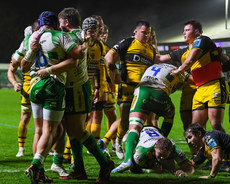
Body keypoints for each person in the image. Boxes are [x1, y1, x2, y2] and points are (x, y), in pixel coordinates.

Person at [21, 11, 87, 183]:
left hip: (34, 87)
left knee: (39, 130)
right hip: (53, 84)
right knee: (52, 130)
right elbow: (77, 56)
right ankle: (37, 165)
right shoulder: (60, 36)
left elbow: (22, 67)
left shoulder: (30, 39)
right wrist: (85, 41)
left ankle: (40, 171)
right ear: (55, 24)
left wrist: (31, 52)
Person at [58, 8, 114, 182]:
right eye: (90, 30)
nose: (93, 34)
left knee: (78, 129)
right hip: (72, 87)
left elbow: (96, 66)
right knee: (71, 130)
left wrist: (98, 86)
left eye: (95, 30)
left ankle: (105, 163)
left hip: (79, 88)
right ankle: (80, 168)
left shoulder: (81, 41)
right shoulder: (78, 39)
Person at [112, 63, 190, 173]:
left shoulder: (152, 66)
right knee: (169, 115)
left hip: (143, 91)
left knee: (134, 127)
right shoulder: (177, 69)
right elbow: (191, 80)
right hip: (160, 94)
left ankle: (127, 160)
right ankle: (162, 142)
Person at [105, 20, 156, 159]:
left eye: (148, 33)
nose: (146, 36)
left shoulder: (151, 50)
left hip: (143, 90)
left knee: (144, 120)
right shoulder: (128, 42)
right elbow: (109, 56)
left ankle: (139, 147)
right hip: (126, 86)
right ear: (136, 31)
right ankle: (118, 141)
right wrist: (114, 72)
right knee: (125, 119)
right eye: (144, 32)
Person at [170, 20, 229, 132]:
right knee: (196, 128)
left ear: (196, 31)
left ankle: (225, 148)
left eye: (187, 30)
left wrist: (179, 70)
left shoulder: (201, 39)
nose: (184, 33)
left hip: (214, 86)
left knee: (215, 124)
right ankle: (203, 150)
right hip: (200, 89)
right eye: (184, 30)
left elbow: (190, 60)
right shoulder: (193, 48)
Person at [7, 21, 39, 157]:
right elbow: (11, 70)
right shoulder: (21, 51)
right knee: (26, 117)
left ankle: (45, 148)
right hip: (27, 87)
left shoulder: (45, 46)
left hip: (40, 86)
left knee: (44, 121)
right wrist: (15, 83)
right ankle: (21, 148)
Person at [125, 126, 194, 177]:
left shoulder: (175, 149)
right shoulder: (141, 153)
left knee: (170, 166)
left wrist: (185, 172)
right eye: (160, 154)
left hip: (156, 130)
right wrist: (150, 171)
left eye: (165, 155)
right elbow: (131, 169)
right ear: (155, 147)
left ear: (171, 151)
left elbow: (190, 167)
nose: (162, 158)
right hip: (139, 132)